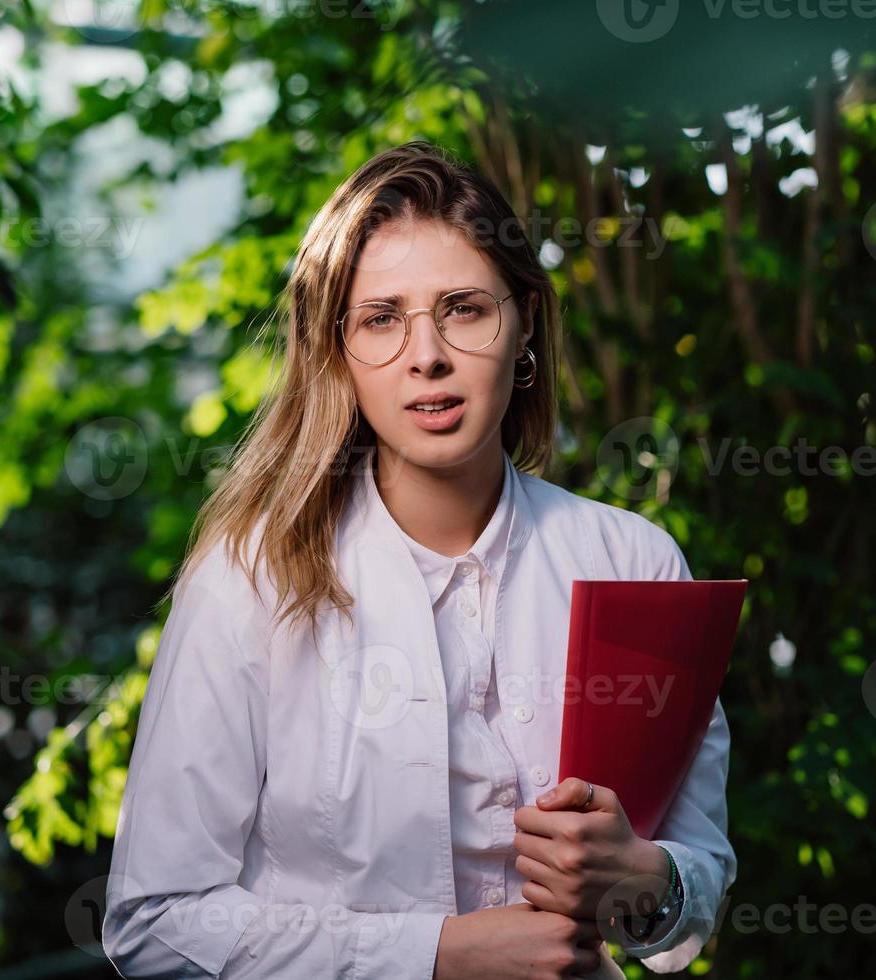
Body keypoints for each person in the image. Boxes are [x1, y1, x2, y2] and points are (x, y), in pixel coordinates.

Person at [101, 139, 735, 979]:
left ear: (524, 327)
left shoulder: (634, 561)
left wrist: (644, 878)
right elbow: (154, 920)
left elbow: (696, 881)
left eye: (464, 308)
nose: (426, 354)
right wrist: (433, 956)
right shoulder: (249, 578)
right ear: (338, 354)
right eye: (381, 318)